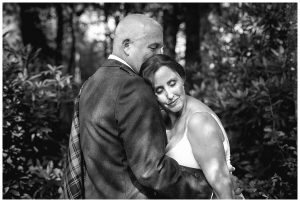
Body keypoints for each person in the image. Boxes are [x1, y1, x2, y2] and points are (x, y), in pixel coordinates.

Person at [64, 13, 217, 199]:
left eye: (161, 48)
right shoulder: (133, 87)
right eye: (153, 48)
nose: (159, 54)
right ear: (127, 46)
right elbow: (151, 169)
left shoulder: (91, 83)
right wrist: (208, 186)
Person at [140, 54, 244, 199]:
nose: (169, 95)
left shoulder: (199, 122)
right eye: (159, 90)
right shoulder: (163, 120)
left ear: (182, 78)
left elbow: (224, 191)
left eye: (172, 83)